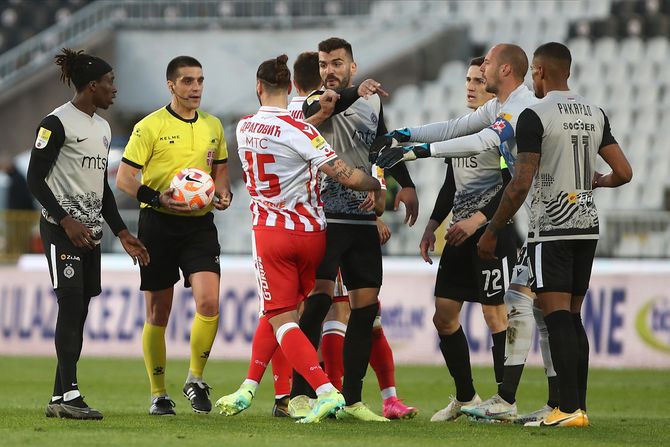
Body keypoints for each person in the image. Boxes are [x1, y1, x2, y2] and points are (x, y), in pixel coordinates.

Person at [375, 44, 561, 422]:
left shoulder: (521, 108)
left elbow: (484, 146)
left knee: (532, 314)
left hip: (518, 222)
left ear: (504, 70)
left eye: (485, 67)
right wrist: (403, 135)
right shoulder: (496, 108)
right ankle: (472, 396)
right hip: (471, 228)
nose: (478, 77)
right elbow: (457, 129)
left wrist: (415, 153)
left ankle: (517, 400)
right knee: (448, 315)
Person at [476, 42, 632, 427]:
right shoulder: (595, 112)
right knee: (572, 318)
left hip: (553, 227)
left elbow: (521, 182)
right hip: (587, 226)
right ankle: (576, 407)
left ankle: (568, 408)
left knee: (557, 317)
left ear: (541, 71)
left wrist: (493, 229)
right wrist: (599, 181)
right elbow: (625, 172)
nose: (533, 79)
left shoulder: (535, 114)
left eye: (534, 73)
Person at [230, 54, 382, 424]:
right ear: (292, 88)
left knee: (281, 316)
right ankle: (267, 390)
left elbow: (288, 129)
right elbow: (345, 175)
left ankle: (320, 391)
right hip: (313, 234)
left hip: (271, 233)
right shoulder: (303, 132)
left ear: (258, 87)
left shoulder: (244, 126)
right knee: (306, 311)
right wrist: (376, 183)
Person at [287, 37, 419, 422]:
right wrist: (350, 91)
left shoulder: (371, 102)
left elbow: (380, 145)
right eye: (325, 63)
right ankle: (300, 394)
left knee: (365, 307)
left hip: (361, 220)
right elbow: (326, 107)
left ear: (352, 65)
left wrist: (404, 184)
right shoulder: (316, 99)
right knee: (319, 301)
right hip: (323, 217)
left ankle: (353, 398)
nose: (329, 70)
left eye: (337, 63)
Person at [26, 48, 149, 420]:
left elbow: (101, 188)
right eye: (110, 82)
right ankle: (71, 395)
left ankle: (57, 397)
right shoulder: (55, 123)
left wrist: (122, 231)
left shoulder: (103, 128)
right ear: (92, 85)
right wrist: (64, 219)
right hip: (61, 230)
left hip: (90, 234)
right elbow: (35, 177)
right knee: (71, 303)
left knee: (79, 311)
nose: (115, 89)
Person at [115, 55, 232, 416]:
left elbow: (221, 170)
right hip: (158, 225)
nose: (195, 87)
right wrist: (156, 196)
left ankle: (195, 379)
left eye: (199, 80)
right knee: (158, 313)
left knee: (209, 302)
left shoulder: (213, 125)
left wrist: (224, 193)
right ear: (171, 85)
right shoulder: (149, 126)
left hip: (199, 224)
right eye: (187, 81)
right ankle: (159, 393)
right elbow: (124, 179)